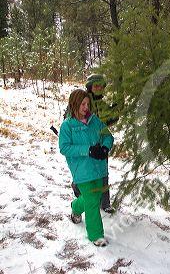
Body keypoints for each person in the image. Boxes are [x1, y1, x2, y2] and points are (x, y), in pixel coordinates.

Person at [59, 89, 114, 246]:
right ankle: (96, 236)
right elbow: (64, 148)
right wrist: (87, 149)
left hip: (98, 168)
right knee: (91, 200)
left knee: (94, 197)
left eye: (87, 104)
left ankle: (76, 207)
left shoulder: (94, 121)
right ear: (74, 104)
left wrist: (104, 148)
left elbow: (108, 136)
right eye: (82, 104)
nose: (85, 107)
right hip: (81, 170)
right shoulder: (67, 126)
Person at [71, 74, 118, 213]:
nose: (98, 88)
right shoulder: (83, 101)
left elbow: (110, 121)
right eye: (95, 85)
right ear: (90, 87)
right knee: (83, 172)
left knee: (103, 173)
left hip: (100, 145)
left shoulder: (102, 104)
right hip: (84, 146)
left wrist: (115, 110)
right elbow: (71, 119)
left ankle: (105, 203)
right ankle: (79, 190)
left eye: (101, 86)